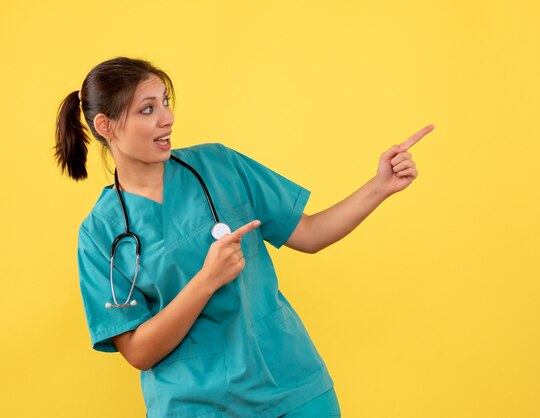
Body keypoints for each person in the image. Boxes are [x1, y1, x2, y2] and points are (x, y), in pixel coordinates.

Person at [54, 56, 435, 418]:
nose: (167, 119)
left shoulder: (220, 165)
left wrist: (380, 186)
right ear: (105, 126)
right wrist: (207, 280)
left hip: (290, 384)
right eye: (148, 109)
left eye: (165, 103)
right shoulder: (100, 233)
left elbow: (310, 233)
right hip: (197, 405)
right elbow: (138, 351)